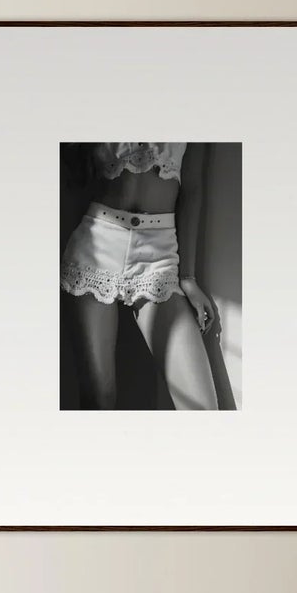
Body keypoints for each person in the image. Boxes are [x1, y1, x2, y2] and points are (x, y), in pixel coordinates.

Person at [60, 141, 219, 410]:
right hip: (97, 243)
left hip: (160, 254)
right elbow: (75, 172)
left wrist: (188, 278)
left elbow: (192, 191)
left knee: (201, 409)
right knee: (99, 403)